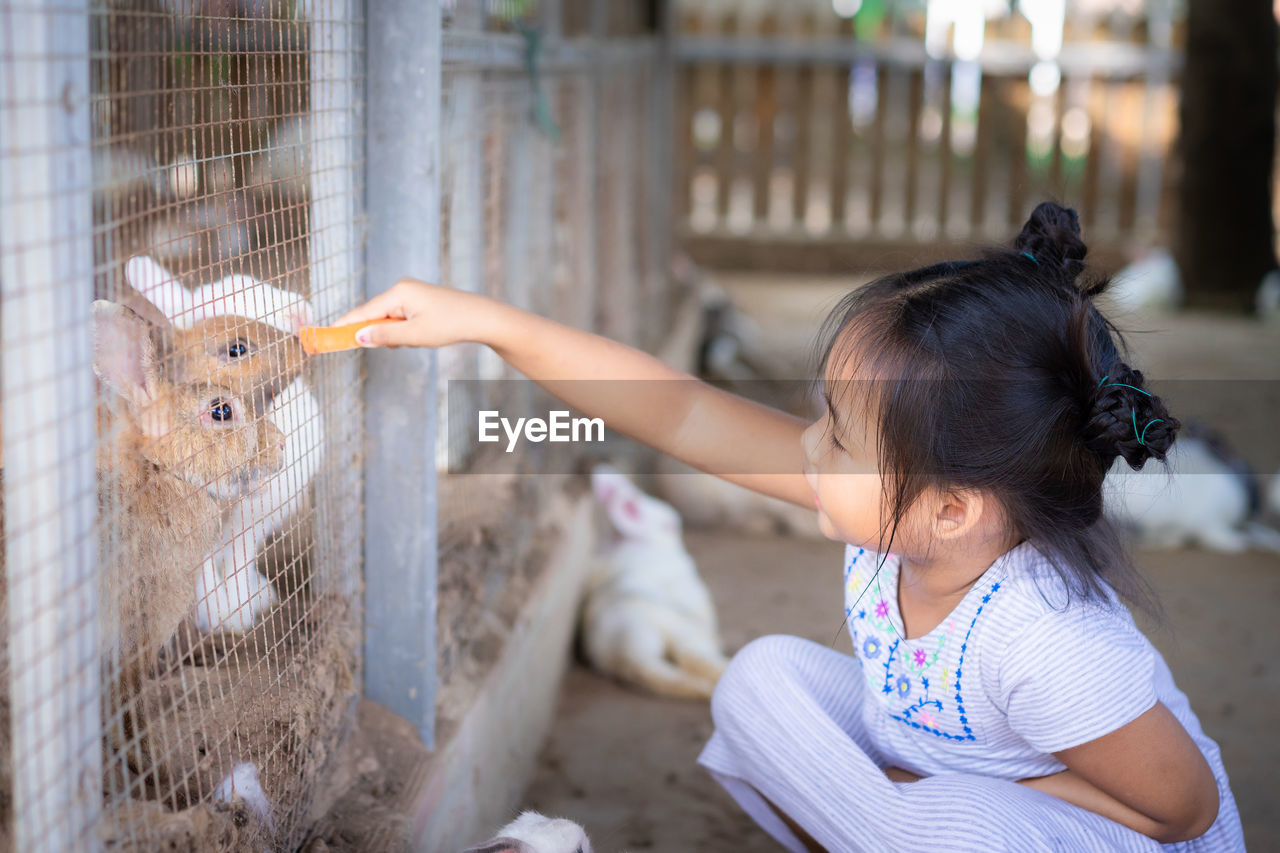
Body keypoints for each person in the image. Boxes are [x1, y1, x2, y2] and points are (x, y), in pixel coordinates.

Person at [336, 202, 1243, 852]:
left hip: (1099, 828)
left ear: (953, 506)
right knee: (759, 680)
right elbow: (680, 412)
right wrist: (489, 324)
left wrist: (936, 800)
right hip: (944, 787)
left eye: (837, 438)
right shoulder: (904, 517)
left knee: (948, 829)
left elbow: (1181, 808)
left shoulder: (1045, 638)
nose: (807, 447)